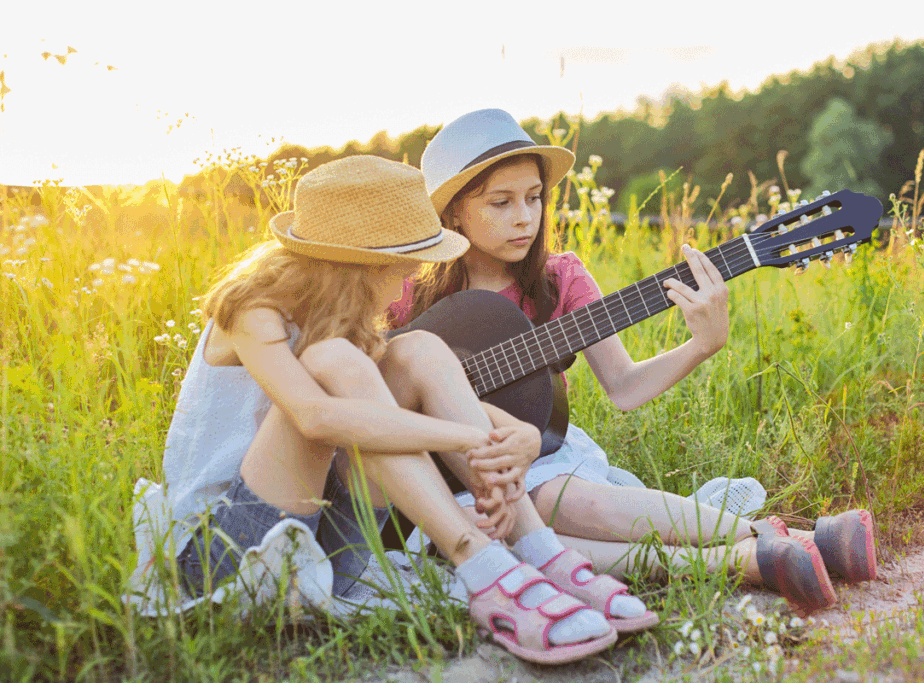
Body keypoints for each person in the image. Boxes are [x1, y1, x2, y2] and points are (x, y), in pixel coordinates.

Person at [135, 155, 664, 665]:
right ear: (358, 266)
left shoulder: (340, 314)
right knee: (337, 361)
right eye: (400, 270)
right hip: (228, 551)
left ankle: (537, 547)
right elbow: (315, 418)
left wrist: (513, 435)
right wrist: (463, 440)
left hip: (328, 547)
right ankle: (480, 564)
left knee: (421, 350)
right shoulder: (254, 309)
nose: (403, 285)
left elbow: (434, 383)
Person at [386, 109, 877, 614]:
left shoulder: (561, 279)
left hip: (542, 458)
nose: (524, 217)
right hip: (444, 472)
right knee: (508, 541)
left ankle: (771, 544)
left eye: (534, 197)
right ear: (452, 215)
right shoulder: (405, 295)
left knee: (567, 503)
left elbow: (623, 387)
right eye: (500, 202)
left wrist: (700, 346)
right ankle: (762, 554)